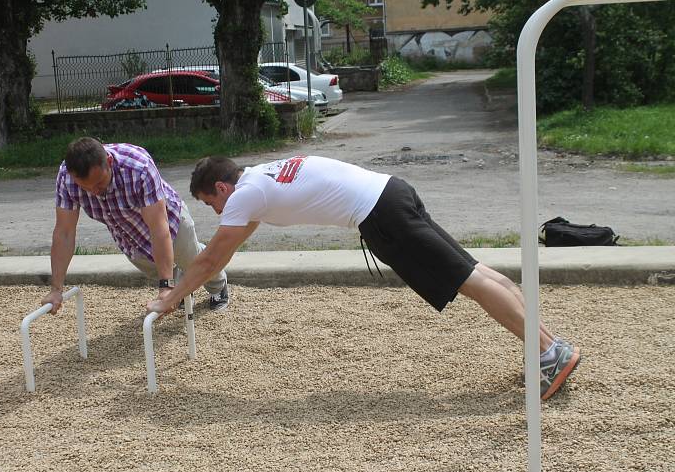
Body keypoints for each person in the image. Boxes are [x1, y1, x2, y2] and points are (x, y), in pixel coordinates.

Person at [147, 155, 581, 400]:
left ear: (221, 189)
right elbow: (232, 243)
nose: (216, 213)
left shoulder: (245, 196)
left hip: (379, 215)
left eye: (210, 204)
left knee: (470, 282)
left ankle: (548, 355)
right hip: (393, 190)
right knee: (478, 272)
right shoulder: (262, 176)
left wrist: (169, 298)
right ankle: (550, 346)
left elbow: (207, 263)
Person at [40, 137, 229, 314]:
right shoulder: (66, 177)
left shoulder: (138, 166)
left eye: (99, 183)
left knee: (192, 260)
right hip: (129, 234)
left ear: (109, 163)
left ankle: (218, 286)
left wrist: (165, 287)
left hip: (170, 223)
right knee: (157, 270)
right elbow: (64, 233)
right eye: (85, 188)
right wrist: (56, 289)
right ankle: (179, 289)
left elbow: (159, 228)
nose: (94, 192)